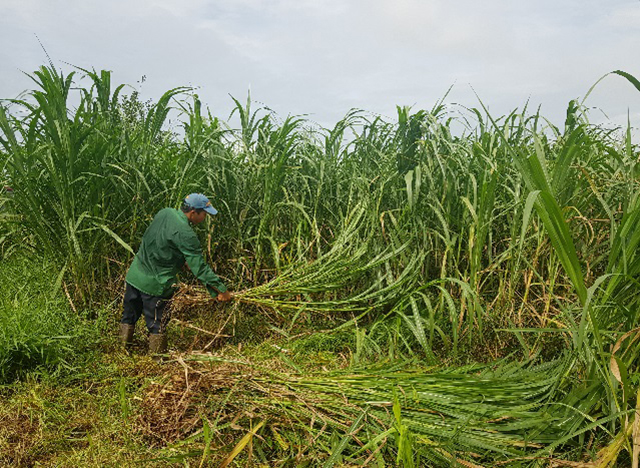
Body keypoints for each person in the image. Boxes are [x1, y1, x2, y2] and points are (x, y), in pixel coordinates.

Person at [119, 193, 232, 358]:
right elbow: (200, 268)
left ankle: (122, 351)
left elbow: (159, 241)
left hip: (135, 276)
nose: (205, 217)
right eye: (205, 214)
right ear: (194, 213)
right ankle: (157, 364)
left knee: (128, 316)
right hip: (156, 285)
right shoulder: (187, 234)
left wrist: (180, 260)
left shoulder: (165, 212)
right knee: (158, 325)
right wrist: (221, 290)